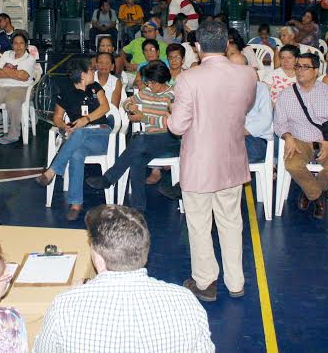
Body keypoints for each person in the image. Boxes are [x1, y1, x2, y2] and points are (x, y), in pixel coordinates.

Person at [35, 205, 213, 352]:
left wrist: (72, 297)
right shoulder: (186, 302)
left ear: (97, 255)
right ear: (145, 249)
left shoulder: (64, 307)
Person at [163, 20, 255, 302]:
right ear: (227, 43)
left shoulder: (189, 79)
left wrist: (168, 114)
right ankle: (236, 281)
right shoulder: (247, 74)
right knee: (231, 222)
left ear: (198, 47)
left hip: (200, 164)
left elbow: (177, 127)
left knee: (200, 224)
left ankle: (205, 282)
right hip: (232, 160)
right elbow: (245, 107)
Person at [86, 61, 178, 212]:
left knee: (139, 139)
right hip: (149, 141)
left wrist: (143, 118)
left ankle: (109, 178)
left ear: (161, 80)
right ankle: (138, 209)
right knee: (137, 160)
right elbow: (126, 101)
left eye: (152, 82)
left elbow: (173, 123)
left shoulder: (173, 95)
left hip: (169, 139)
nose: (149, 85)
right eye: (147, 82)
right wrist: (130, 108)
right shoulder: (147, 91)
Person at [274, 51, 328, 218]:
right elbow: (279, 123)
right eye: (298, 66)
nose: (300, 71)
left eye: (305, 67)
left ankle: (309, 192)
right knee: (292, 165)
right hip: (299, 140)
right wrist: (288, 137)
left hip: (325, 142)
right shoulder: (286, 95)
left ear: (316, 71)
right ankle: (318, 196)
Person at [35, 58, 112, 221]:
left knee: (79, 133)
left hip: (100, 135)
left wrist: (86, 119)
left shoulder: (95, 88)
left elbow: (105, 107)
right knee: (76, 154)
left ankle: (52, 171)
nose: (94, 72)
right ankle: (76, 203)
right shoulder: (65, 93)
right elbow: (57, 117)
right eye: (91, 70)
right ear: (83, 74)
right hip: (79, 138)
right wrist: (64, 126)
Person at [0, 32, 37, 146]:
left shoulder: (30, 58)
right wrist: (16, 73)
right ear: (12, 45)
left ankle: (13, 135)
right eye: (15, 43)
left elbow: (23, 76)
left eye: (21, 43)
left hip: (22, 88)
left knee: (12, 102)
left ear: (26, 45)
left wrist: (4, 69)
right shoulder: (6, 54)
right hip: (2, 86)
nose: (18, 46)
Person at [244, 78, 273, 166]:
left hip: (254, 139)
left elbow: (265, 119)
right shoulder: (223, 87)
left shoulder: (260, 87)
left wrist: (240, 131)